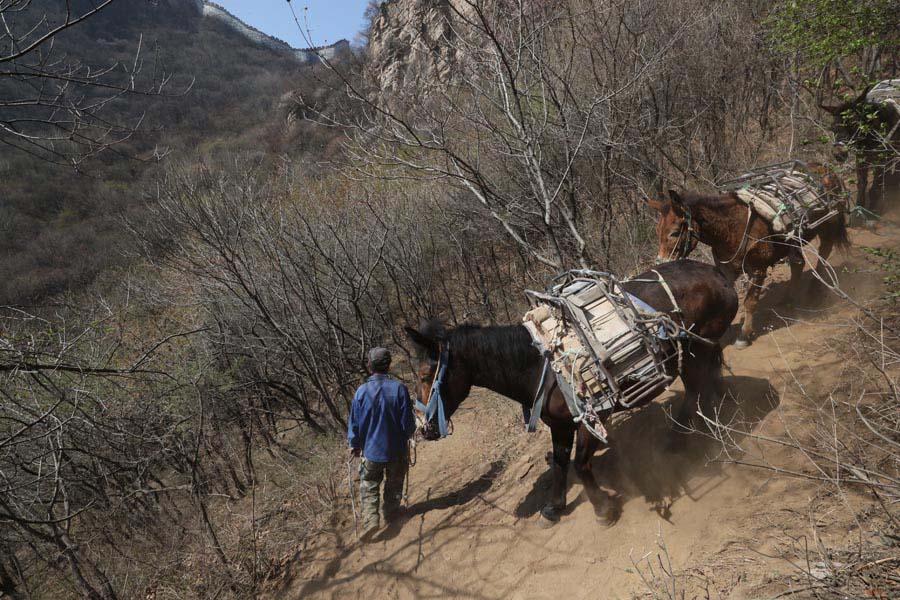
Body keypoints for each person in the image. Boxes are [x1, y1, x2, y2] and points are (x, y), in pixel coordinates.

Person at [348, 347, 416, 541]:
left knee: (369, 485)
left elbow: (354, 424)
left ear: (369, 366)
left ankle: (371, 520)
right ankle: (391, 513)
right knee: (394, 483)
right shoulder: (399, 389)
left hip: (371, 452)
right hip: (396, 450)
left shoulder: (361, 392)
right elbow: (408, 424)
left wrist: (354, 444)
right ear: (389, 365)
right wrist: (408, 435)